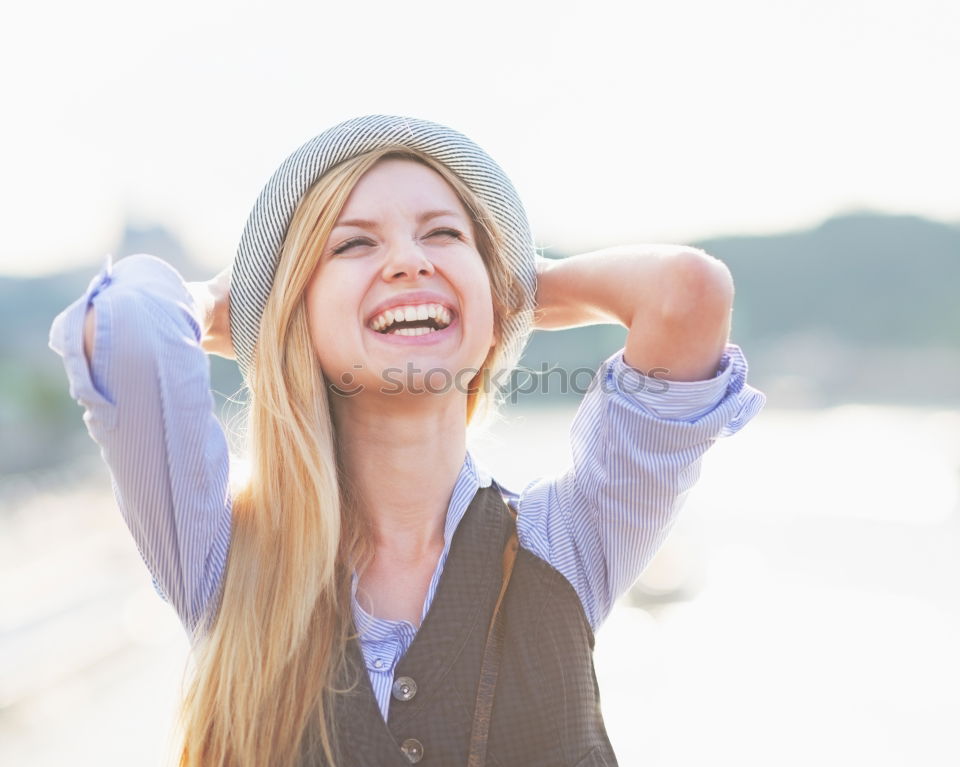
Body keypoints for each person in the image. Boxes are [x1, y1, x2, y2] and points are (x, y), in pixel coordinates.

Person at [49, 115, 766, 766]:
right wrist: (251, 314)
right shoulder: (222, 555)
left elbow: (687, 292)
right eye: (355, 243)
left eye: (443, 235)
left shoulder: (569, 543)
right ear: (296, 310)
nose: (408, 260)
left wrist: (506, 287)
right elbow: (128, 326)